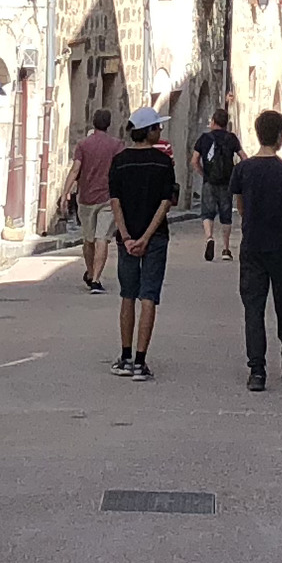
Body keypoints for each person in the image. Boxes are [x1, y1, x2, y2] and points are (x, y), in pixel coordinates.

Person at [230, 108, 282, 393]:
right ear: (278, 136)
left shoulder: (243, 170)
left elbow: (239, 205)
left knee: (254, 309)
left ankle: (257, 371)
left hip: (252, 247)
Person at [106, 108, 182, 380]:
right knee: (148, 297)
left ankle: (125, 356)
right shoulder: (163, 163)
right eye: (157, 128)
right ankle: (140, 361)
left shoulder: (119, 162)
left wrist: (126, 236)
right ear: (148, 131)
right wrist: (147, 236)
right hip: (156, 237)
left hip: (127, 238)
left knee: (127, 295)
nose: (160, 132)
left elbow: (115, 202)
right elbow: (165, 203)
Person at [70, 108, 123, 289]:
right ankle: (96, 279)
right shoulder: (117, 145)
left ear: (93, 122)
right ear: (108, 124)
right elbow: (122, 170)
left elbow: (75, 169)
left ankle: (91, 271)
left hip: (85, 197)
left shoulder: (83, 145)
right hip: (108, 197)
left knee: (88, 239)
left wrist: (64, 193)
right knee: (102, 238)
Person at [192, 102, 241, 260]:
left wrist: (203, 173)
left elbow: (194, 161)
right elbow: (244, 157)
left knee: (207, 213)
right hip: (227, 182)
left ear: (213, 121)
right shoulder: (231, 138)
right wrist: (237, 174)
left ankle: (209, 237)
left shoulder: (204, 139)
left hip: (209, 181)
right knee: (226, 216)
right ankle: (226, 249)